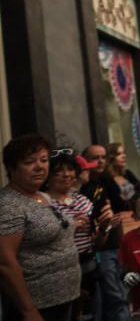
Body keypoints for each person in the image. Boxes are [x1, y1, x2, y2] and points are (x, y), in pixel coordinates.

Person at [0, 135, 80, 320]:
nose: (40, 166)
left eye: (44, 160)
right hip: (39, 306)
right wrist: (29, 311)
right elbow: (5, 263)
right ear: (12, 168)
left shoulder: (43, 196)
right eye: (29, 162)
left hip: (66, 298)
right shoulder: (8, 205)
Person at [45, 150, 112, 320]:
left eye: (70, 169)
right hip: (60, 272)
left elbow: (96, 244)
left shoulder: (83, 201)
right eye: (59, 170)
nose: (66, 174)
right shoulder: (43, 203)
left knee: (93, 314)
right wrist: (70, 227)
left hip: (89, 267)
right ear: (49, 175)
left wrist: (105, 227)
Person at [79, 144, 131, 321]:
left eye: (103, 157)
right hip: (99, 249)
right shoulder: (82, 186)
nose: (100, 161)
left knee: (120, 292)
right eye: (95, 157)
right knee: (113, 296)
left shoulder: (108, 180)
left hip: (116, 243)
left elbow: (120, 206)